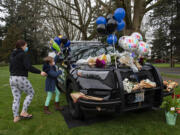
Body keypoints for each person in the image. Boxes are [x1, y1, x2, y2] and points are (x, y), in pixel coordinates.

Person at [9, 40, 47, 123]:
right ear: (22, 46)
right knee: (31, 93)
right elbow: (28, 67)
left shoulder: (12, 54)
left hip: (12, 78)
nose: (27, 47)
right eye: (26, 46)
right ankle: (23, 112)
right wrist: (40, 72)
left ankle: (16, 117)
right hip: (21, 78)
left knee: (16, 98)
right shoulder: (23, 54)